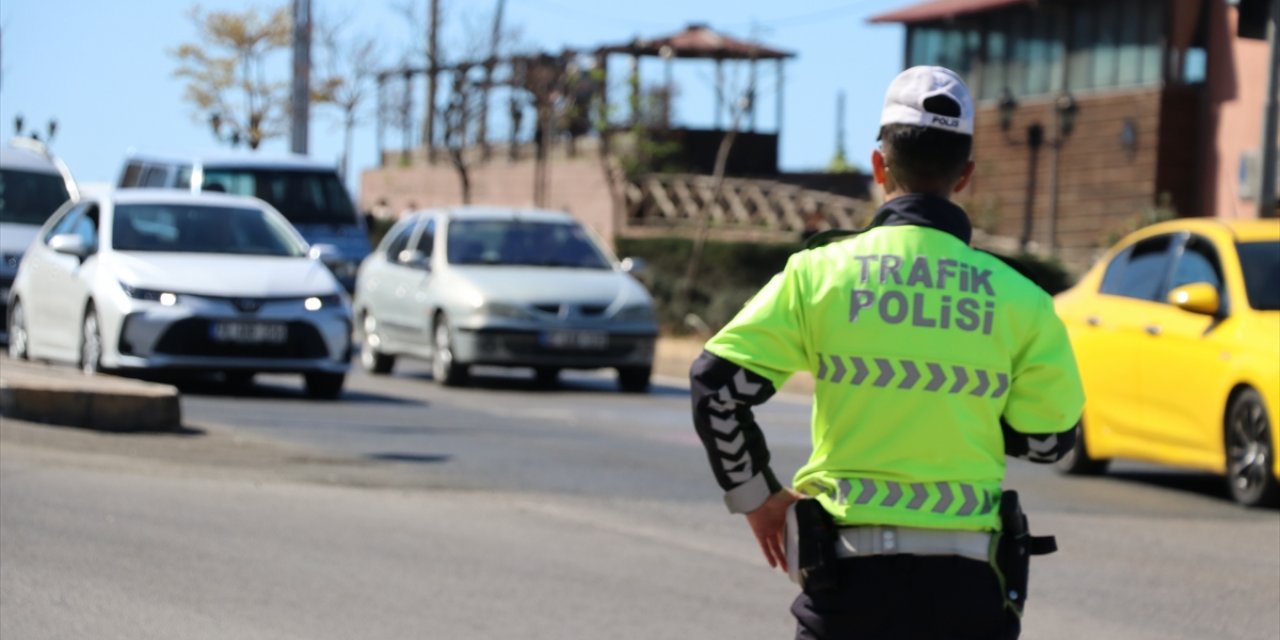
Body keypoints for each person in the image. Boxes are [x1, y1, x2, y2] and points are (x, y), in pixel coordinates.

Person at [689, 66, 1085, 640]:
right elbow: (1051, 442)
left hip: (847, 589)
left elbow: (715, 386)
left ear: (879, 166)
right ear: (965, 175)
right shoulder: (1023, 300)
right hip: (969, 593)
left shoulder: (818, 276)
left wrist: (760, 500)